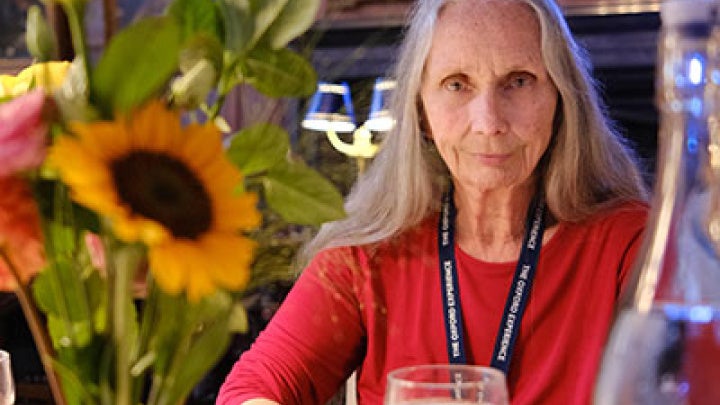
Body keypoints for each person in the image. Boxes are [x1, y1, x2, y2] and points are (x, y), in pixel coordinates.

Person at [217, 0, 649, 403]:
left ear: (561, 98)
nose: (488, 123)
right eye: (456, 84)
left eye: (518, 81)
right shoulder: (368, 253)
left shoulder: (631, 245)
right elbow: (252, 387)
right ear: (421, 110)